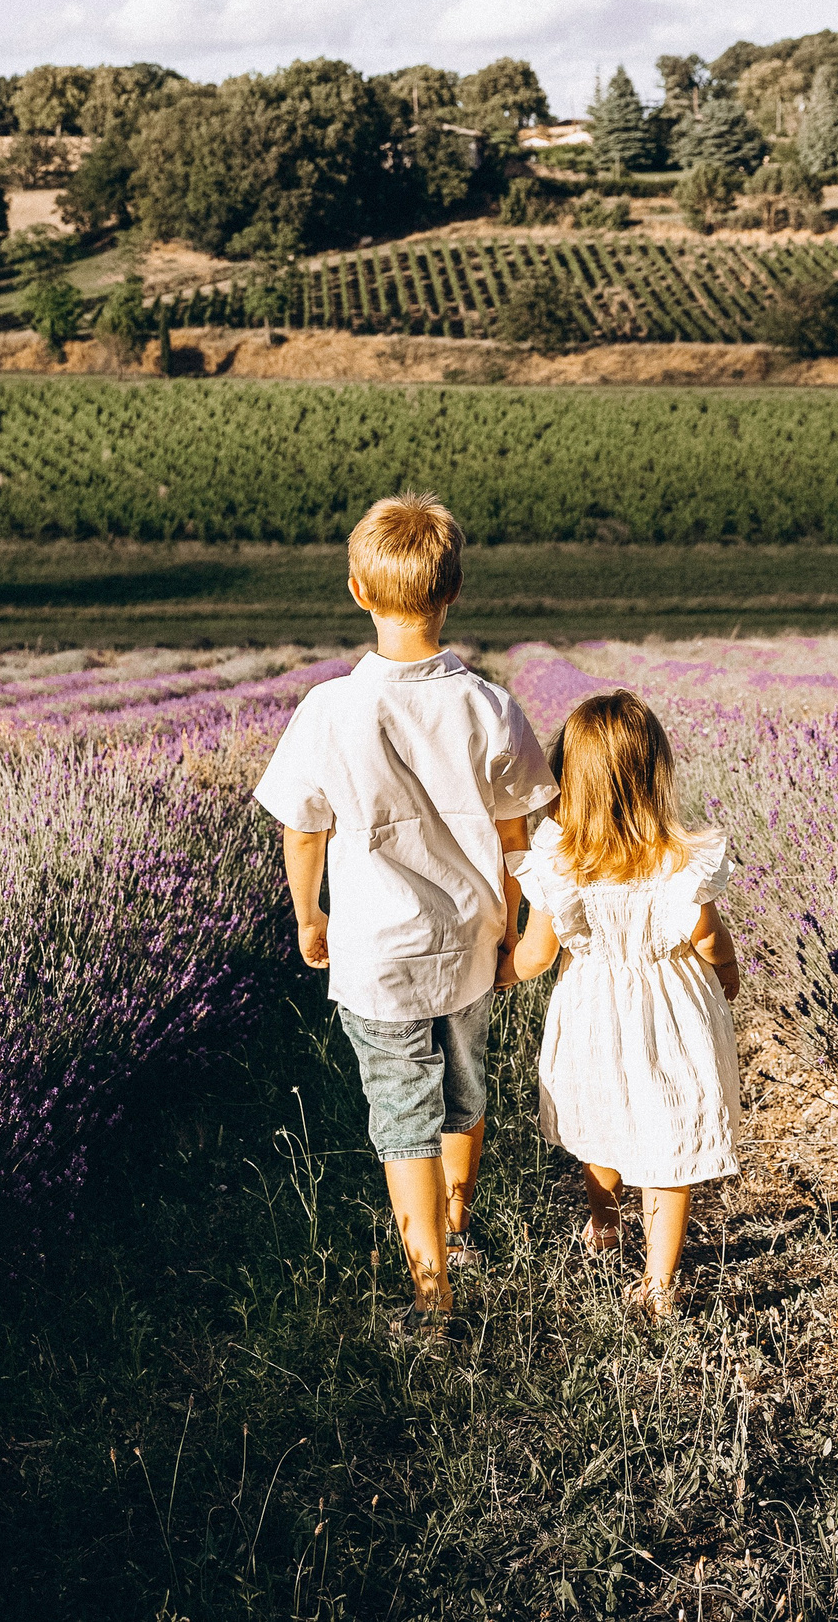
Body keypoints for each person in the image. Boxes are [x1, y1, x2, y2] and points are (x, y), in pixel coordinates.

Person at [254, 494, 556, 1346]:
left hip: (376, 949)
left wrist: (309, 917)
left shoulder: (329, 710)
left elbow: (302, 826)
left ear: (357, 590)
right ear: (453, 592)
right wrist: (514, 922)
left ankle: (433, 1293)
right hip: (468, 939)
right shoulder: (489, 706)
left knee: (401, 1115)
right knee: (464, 1086)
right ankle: (460, 1227)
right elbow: (515, 832)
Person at [499, 690, 742, 1320]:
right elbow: (708, 936)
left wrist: (498, 975)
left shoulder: (561, 863)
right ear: (656, 773)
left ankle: (603, 1221)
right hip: (672, 1012)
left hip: (593, 1010)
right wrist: (727, 973)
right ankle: (660, 1282)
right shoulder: (678, 861)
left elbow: (537, 954)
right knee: (669, 1137)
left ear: (566, 776)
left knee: (598, 1115)